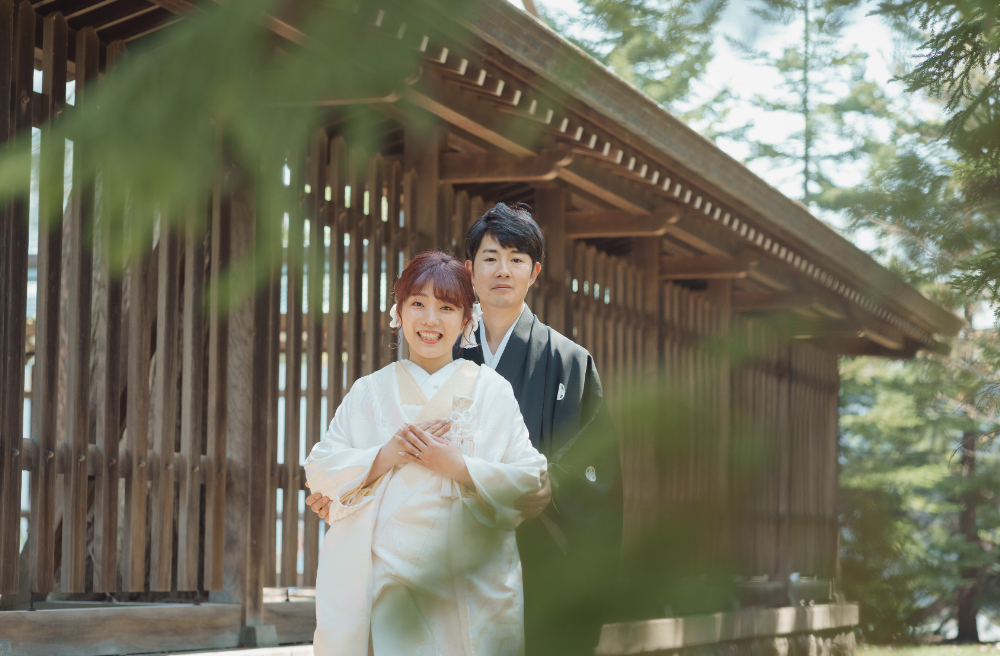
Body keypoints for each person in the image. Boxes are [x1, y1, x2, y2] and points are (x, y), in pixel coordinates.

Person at [308, 203, 623, 655]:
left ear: (534, 272)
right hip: (393, 575)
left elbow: (589, 471)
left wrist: (479, 474)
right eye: (490, 257)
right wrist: (349, 487)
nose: (503, 270)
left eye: (516, 259)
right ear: (470, 270)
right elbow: (336, 466)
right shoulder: (420, 363)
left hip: (514, 555)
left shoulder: (565, 362)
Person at [303, 251, 547, 656]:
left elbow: (531, 480)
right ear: (399, 312)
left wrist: (459, 467)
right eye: (417, 303)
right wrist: (385, 455)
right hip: (385, 583)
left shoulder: (492, 391)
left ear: (467, 319)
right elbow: (321, 469)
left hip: (465, 581)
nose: (430, 320)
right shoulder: (369, 392)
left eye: (446, 307)